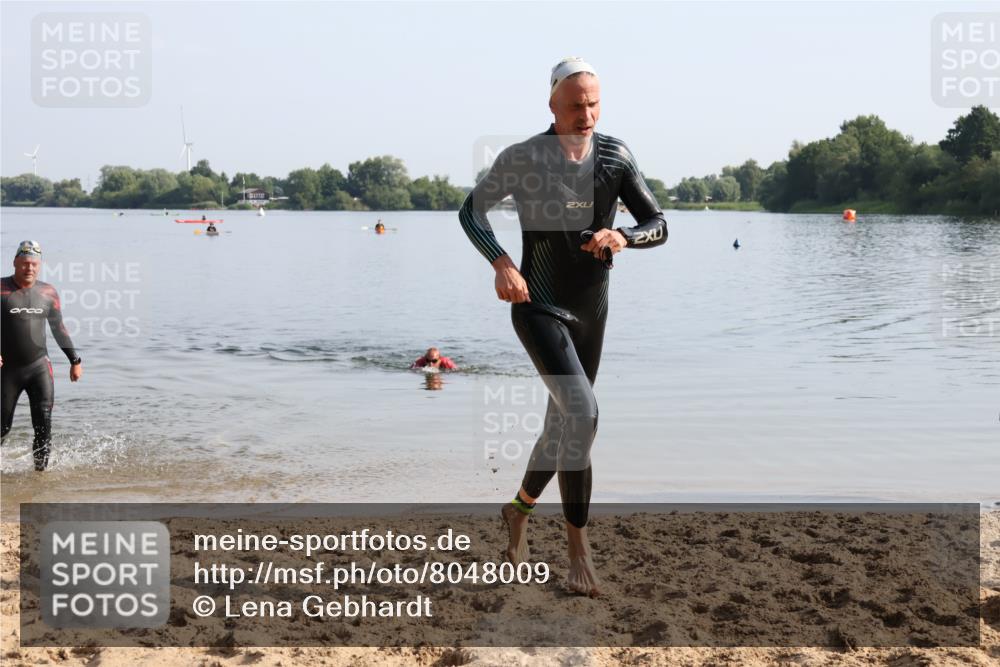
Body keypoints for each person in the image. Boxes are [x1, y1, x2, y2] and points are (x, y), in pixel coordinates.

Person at [458, 57, 668, 596]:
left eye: (594, 103)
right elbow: (471, 211)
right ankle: (578, 550)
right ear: (552, 103)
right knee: (584, 413)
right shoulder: (525, 157)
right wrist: (501, 262)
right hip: (538, 303)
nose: (587, 114)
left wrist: (623, 237)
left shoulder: (615, 156)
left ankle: (518, 511)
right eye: (576, 105)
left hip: (592, 309)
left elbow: (658, 223)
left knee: (564, 427)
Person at [1, 240, 83, 471]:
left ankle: (40, 476)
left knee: (43, 425)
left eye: (34, 264)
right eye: (25, 263)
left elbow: (59, 329)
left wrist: (75, 361)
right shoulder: (1, 288)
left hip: (38, 367)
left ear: (39, 265)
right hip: (7, 370)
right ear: (15, 262)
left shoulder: (48, 292)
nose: (30, 268)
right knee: (2, 427)